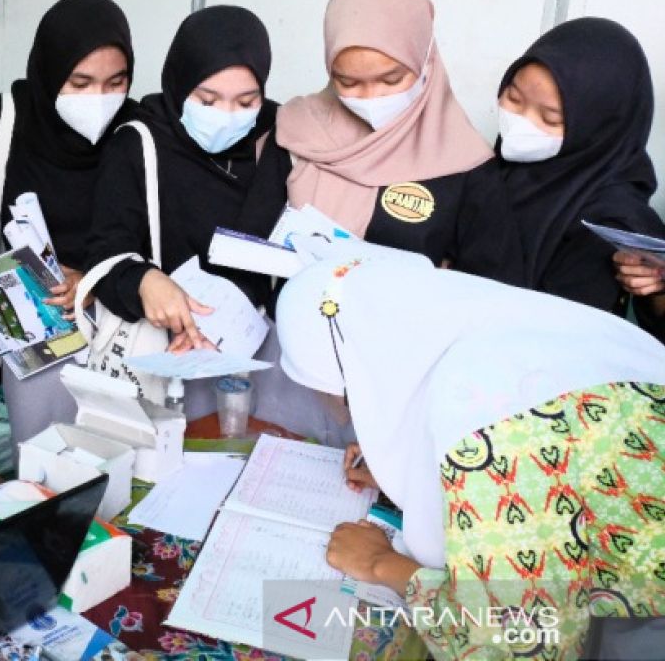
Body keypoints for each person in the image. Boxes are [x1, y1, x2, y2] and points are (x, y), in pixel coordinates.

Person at [275, 254, 665, 661]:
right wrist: (414, 469)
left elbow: (519, 641)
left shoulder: (483, 427)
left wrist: (380, 564)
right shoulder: (522, 322)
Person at [0, 0, 136, 447]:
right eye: (79, 83)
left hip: (119, 322)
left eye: (115, 82)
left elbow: (151, 229)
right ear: (49, 71)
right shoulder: (1, 122)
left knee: (122, 464)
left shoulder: (135, 130)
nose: (98, 99)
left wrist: (97, 279)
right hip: (36, 331)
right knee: (46, 459)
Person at [239, 0, 524, 285]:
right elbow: (248, 248)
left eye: (391, 80)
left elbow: (494, 288)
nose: (371, 97)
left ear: (425, 59)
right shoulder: (297, 133)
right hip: (295, 328)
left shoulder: (465, 164)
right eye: (347, 82)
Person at [85, 4, 277, 418]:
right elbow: (104, 248)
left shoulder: (277, 138)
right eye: (207, 99)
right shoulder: (139, 142)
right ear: (179, 83)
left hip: (253, 358)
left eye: (247, 100)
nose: (227, 116)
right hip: (164, 357)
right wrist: (143, 281)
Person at [494, 17, 665, 336]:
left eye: (550, 118)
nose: (520, 124)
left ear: (599, 129)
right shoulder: (500, 169)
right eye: (514, 99)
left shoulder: (610, 222)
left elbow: (555, 334)